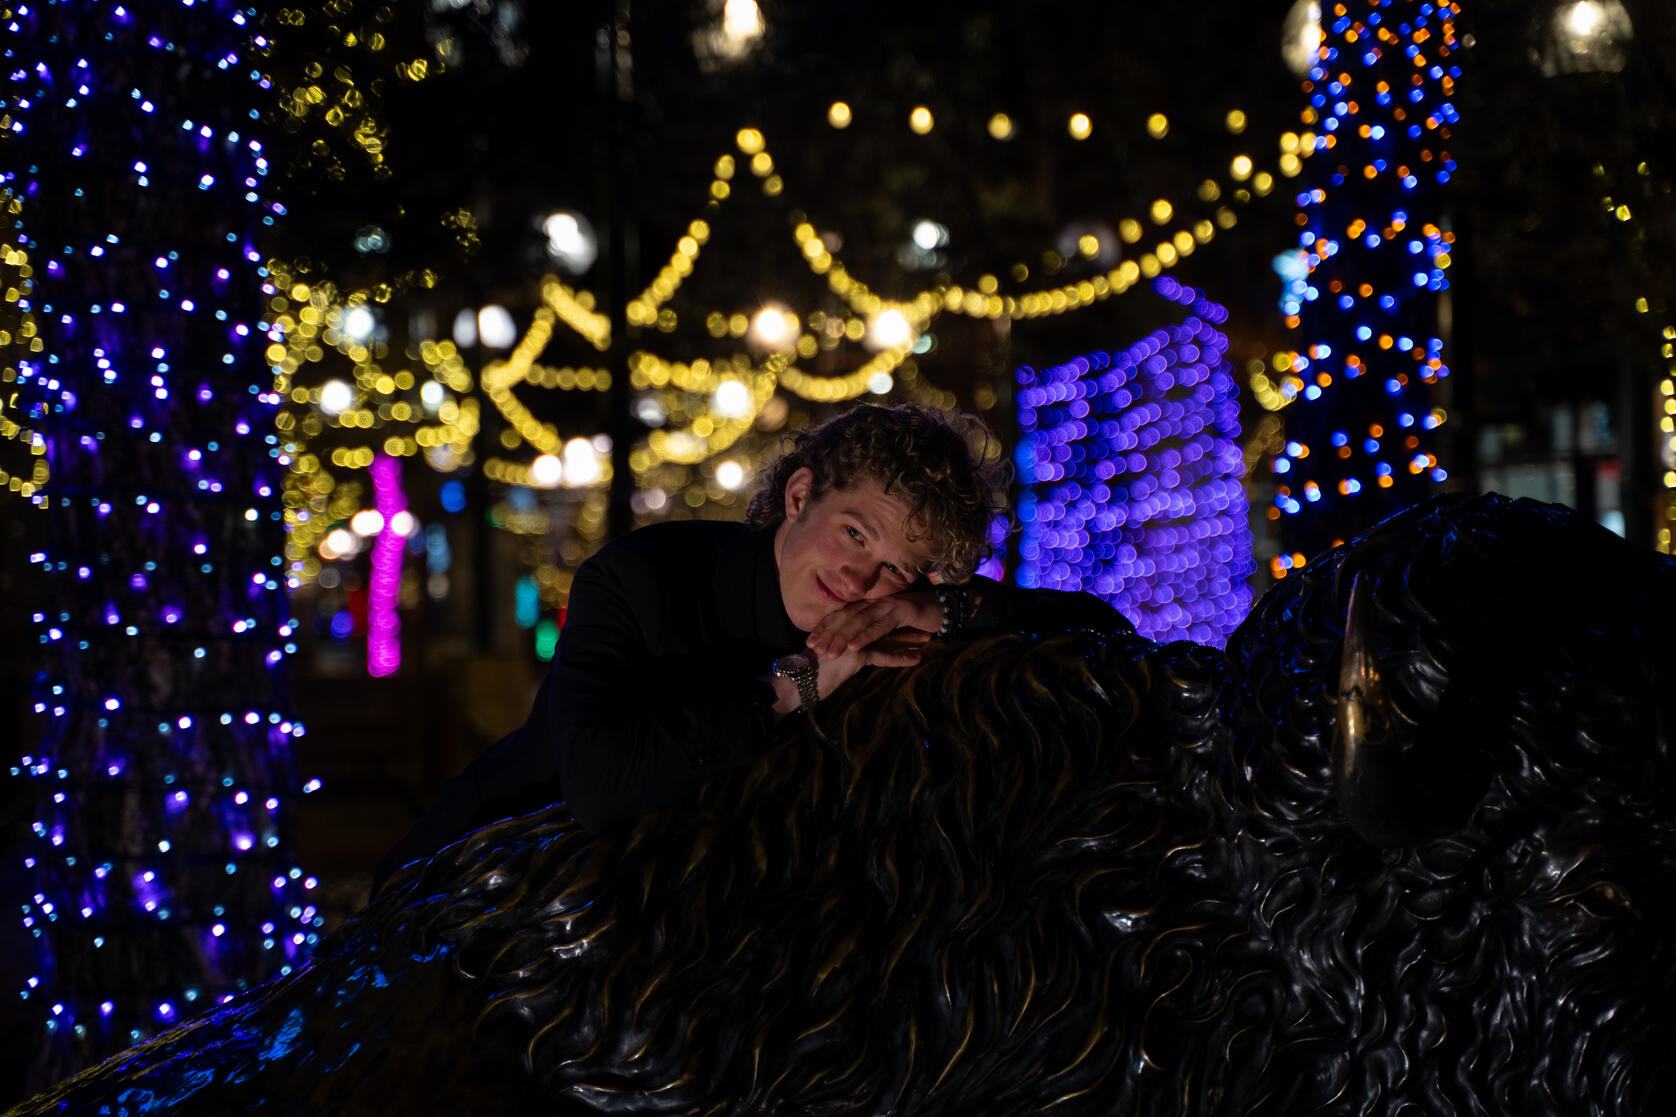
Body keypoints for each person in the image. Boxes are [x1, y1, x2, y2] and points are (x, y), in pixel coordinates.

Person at [373, 404, 1130, 889]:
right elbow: (601, 786)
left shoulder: (898, 616)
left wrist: (949, 605)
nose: (860, 577)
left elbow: (1109, 639)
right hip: (478, 879)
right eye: (855, 532)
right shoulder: (641, 580)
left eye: (897, 565)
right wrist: (795, 685)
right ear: (799, 497)